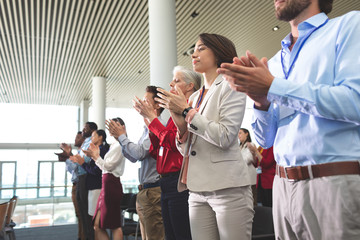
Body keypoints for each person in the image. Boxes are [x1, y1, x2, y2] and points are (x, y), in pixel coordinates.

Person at [218, 0, 360, 239]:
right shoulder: (273, 62)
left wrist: (274, 86)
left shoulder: (348, 26)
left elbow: (354, 101)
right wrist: (260, 102)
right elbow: (265, 138)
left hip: (332, 182)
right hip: (283, 188)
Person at [155, 34, 254, 240]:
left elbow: (226, 137)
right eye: (194, 49)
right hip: (197, 189)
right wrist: (180, 124)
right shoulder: (194, 96)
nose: (194, 54)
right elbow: (187, 149)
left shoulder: (231, 85)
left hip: (227, 188)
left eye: (201, 48)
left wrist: (187, 112)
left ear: (218, 52)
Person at [133, 66, 201, 240]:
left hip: (178, 181)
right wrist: (150, 122)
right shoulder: (173, 115)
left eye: (177, 81)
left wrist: (154, 120)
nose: (171, 84)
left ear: (190, 87)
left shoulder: (191, 111)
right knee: (170, 234)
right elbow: (158, 152)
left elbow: (172, 142)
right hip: (165, 182)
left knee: (180, 234)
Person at [107, 86, 165, 240]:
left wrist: (122, 137)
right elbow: (133, 157)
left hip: (153, 191)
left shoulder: (158, 127)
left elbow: (139, 153)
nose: (141, 103)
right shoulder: (147, 128)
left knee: (154, 236)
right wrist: (122, 137)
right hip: (146, 190)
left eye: (146, 100)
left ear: (158, 105)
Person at [83, 118, 126, 240]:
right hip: (106, 184)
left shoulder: (120, 145)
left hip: (112, 184)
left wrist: (96, 157)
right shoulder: (114, 145)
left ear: (122, 127)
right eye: (110, 126)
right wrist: (95, 156)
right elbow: (104, 167)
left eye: (114, 126)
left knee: (114, 225)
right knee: (97, 224)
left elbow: (108, 166)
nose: (111, 129)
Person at [61, 122, 98, 240]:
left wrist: (71, 156)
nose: (83, 130)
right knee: (82, 214)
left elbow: (85, 160)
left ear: (92, 130)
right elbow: (77, 163)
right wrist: (72, 157)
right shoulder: (84, 145)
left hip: (85, 179)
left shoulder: (90, 143)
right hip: (81, 179)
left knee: (86, 215)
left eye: (85, 128)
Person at [71, 130, 109, 218]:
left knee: (94, 218)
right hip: (92, 186)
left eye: (93, 136)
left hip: (96, 186)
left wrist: (83, 163)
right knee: (90, 216)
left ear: (100, 137)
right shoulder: (95, 150)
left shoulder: (102, 150)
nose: (91, 139)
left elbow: (96, 171)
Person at [56, 131, 85, 240]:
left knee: (82, 215)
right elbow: (71, 170)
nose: (75, 139)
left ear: (83, 139)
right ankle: (80, 236)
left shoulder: (82, 152)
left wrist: (68, 155)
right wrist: (68, 155)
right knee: (79, 215)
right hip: (75, 185)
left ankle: (82, 237)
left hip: (79, 185)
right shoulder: (77, 152)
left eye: (78, 137)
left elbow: (74, 167)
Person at [238, 128, 259, 206]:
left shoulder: (251, 145)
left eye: (240, 133)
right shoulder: (239, 147)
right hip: (242, 177)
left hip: (250, 176)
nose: (238, 135)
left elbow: (248, 159)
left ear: (246, 134)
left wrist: (237, 160)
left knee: (252, 200)